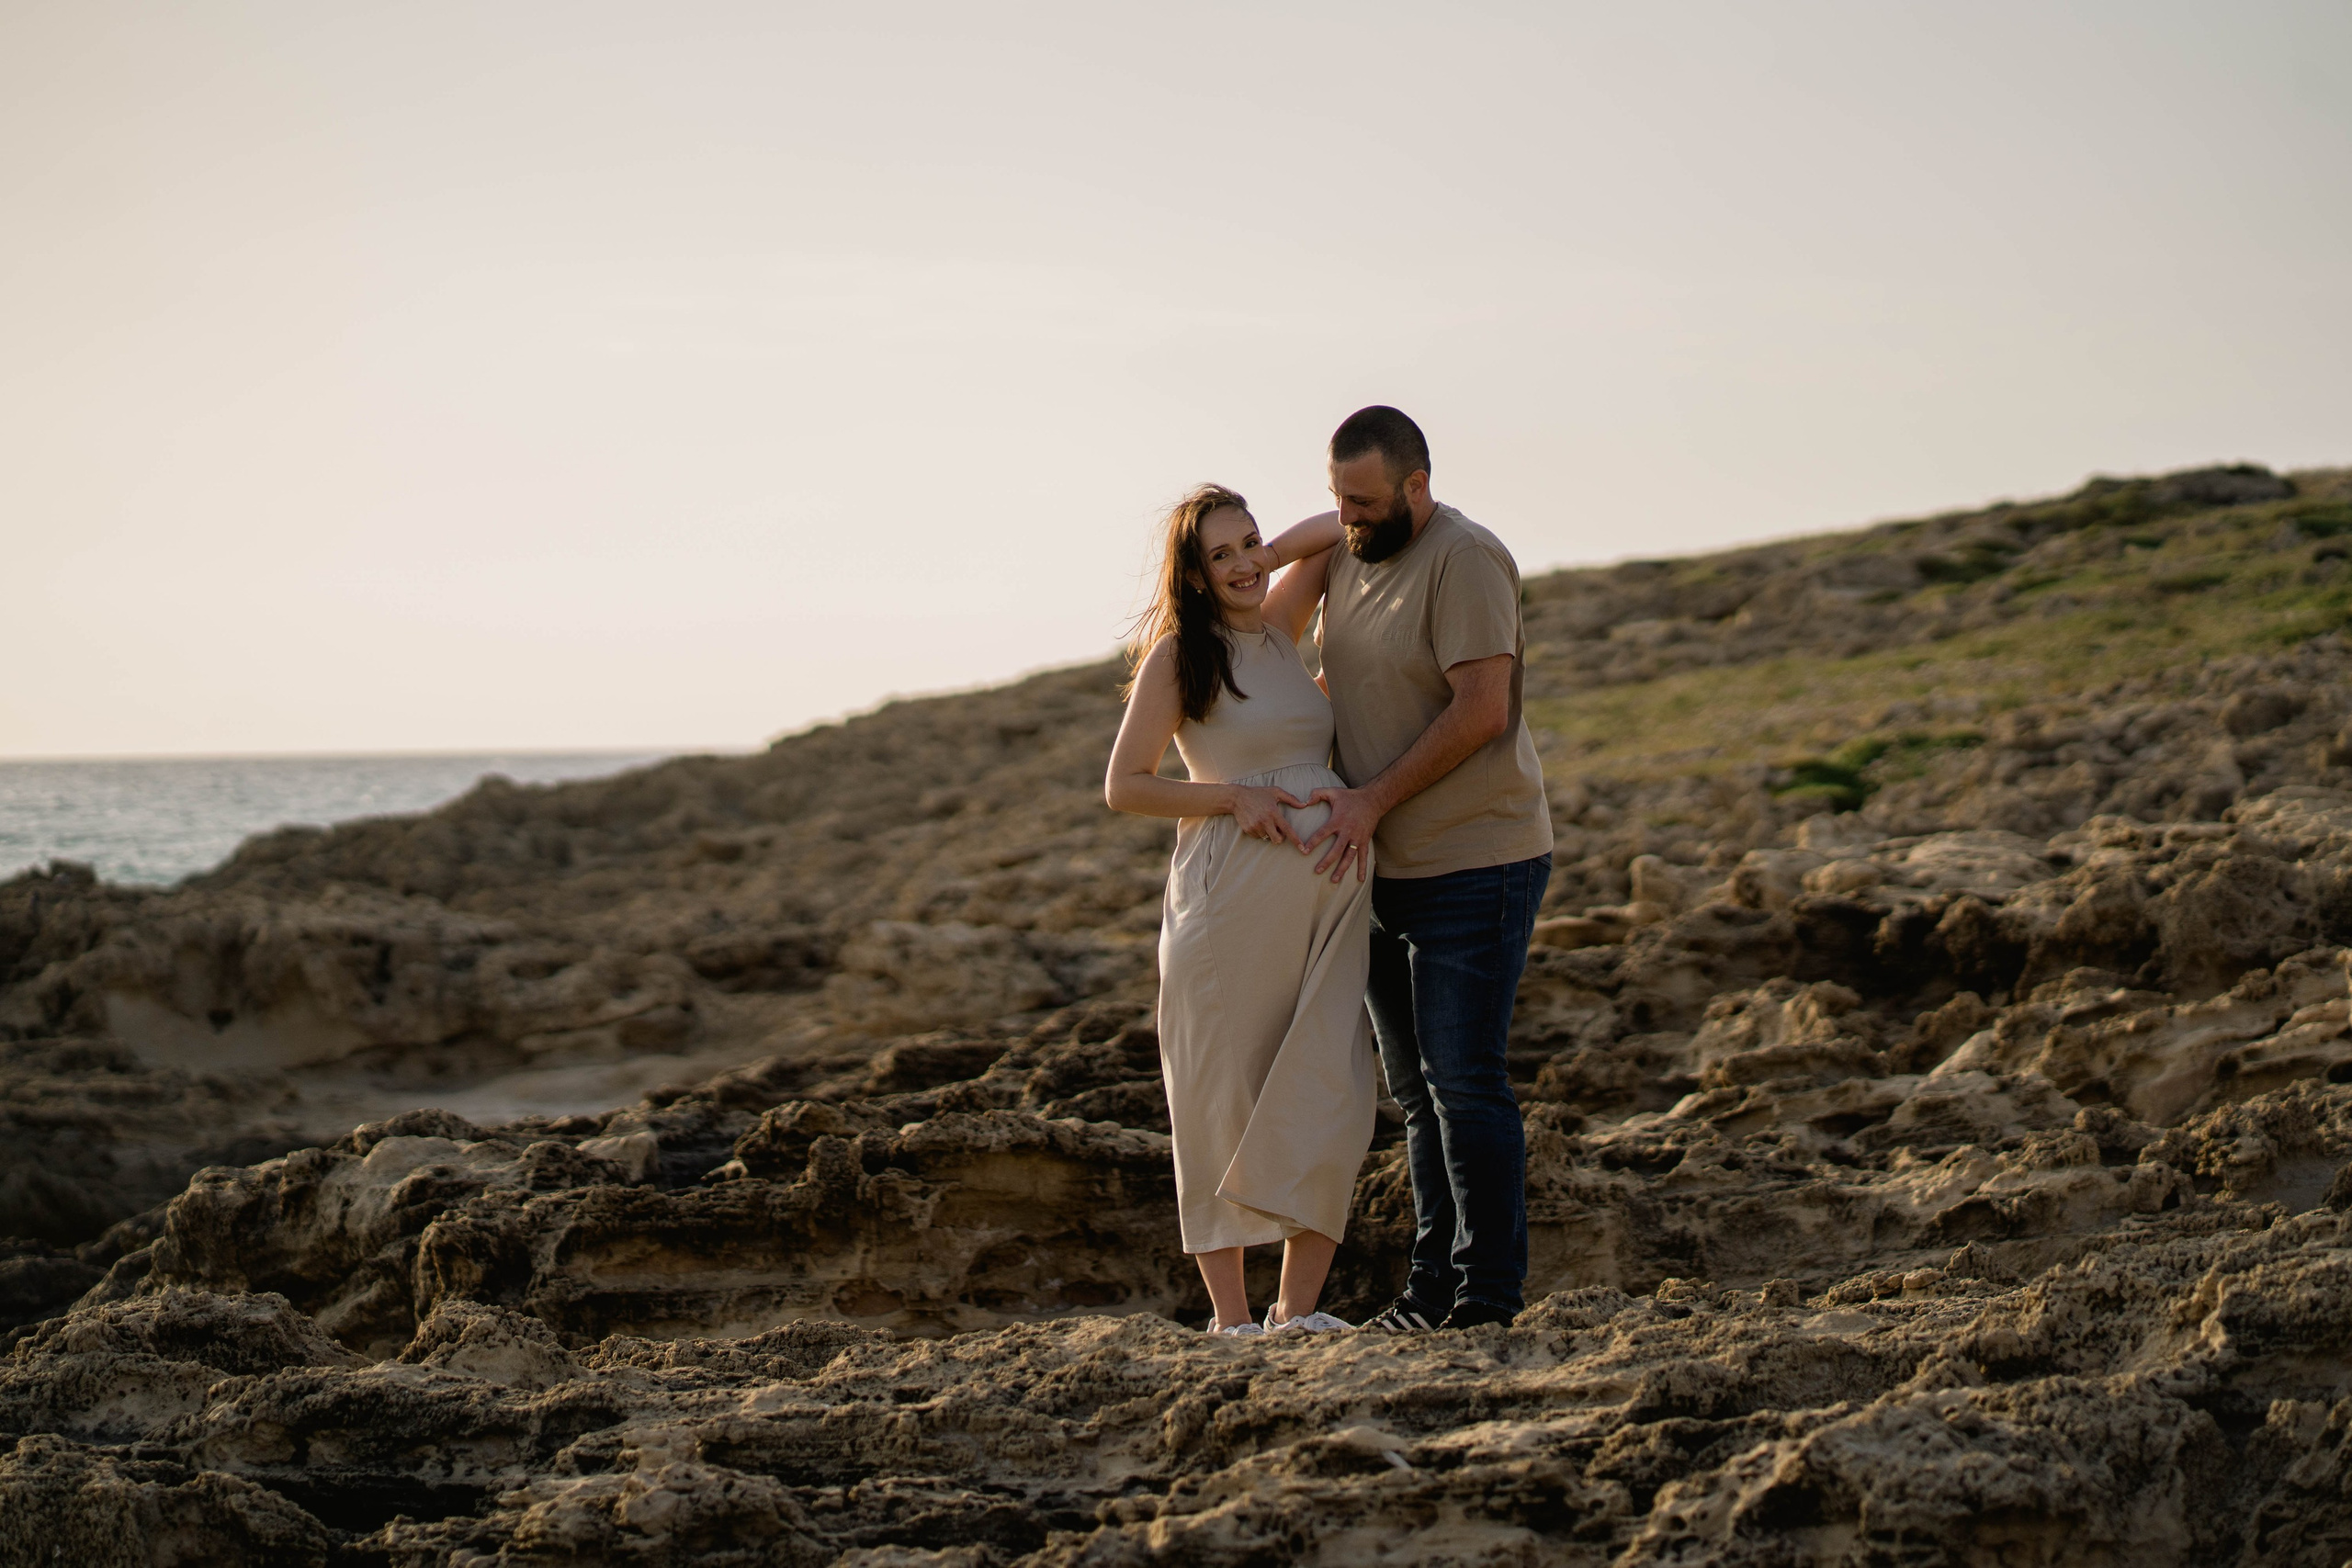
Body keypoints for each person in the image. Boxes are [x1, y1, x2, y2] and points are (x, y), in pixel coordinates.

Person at [1290, 406, 1555, 1332]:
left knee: (1463, 1080)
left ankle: (1485, 1301)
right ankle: (1429, 1290)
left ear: (1417, 485)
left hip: (1474, 861)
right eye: (1335, 501)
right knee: (1413, 1096)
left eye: (1361, 501)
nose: (1347, 518)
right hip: (1378, 871)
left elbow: (1482, 709)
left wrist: (1369, 800)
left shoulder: (1464, 559)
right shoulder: (1346, 556)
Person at [1103, 483, 1373, 1337]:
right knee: (1222, 1092)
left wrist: (1270, 555)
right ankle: (1233, 1320)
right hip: (1228, 897)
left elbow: (1345, 526)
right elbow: (1126, 785)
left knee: (1330, 1080)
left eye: (1250, 544)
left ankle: (1297, 1313)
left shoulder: (1284, 629)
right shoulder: (1182, 656)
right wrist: (1227, 798)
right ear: (1192, 571)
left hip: (1329, 893)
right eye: (1220, 554)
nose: (1245, 563)